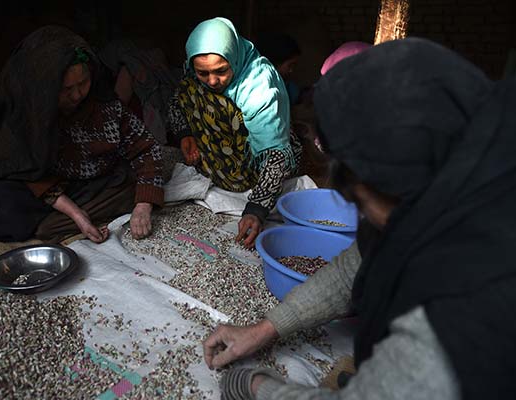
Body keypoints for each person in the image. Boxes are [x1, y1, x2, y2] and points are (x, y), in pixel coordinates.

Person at [202, 37, 516, 399]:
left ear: (389, 187)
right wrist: (263, 329)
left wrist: (254, 385)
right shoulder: (459, 169)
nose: (359, 216)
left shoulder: (465, 308)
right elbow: (359, 263)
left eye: (360, 203)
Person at [0, 25, 164, 243]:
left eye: (83, 83)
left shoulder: (105, 106)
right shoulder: (26, 115)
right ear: (45, 88)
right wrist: (76, 214)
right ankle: (65, 221)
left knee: (135, 184)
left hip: (95, 185)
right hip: (48, 191)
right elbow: (25, 171)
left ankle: (56, 225)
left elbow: (146, 149)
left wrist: (143, 206)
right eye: (66, 89)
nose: (77, 95)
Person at [167, 17, 302, 248]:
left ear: (234, 58)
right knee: (190, 87)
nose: (212, 80)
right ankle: (223, 172)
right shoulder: (193, 75)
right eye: (203, 73)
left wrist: (256, 209)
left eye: (221, 71)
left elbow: (275, 157)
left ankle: (244, 180)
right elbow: (176, 103)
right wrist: (185, 134)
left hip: (256, 165)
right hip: (220, 159)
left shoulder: (258, 85)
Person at [255, 32, 302, 104]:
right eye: (290, 65)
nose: (291, 70)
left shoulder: (290, 88)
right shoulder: (261, 89)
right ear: (277, 62)